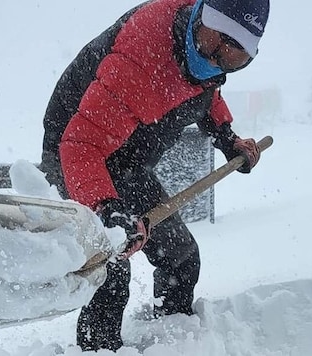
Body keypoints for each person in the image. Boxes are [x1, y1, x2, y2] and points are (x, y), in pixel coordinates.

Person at [39, 0, 270, 351]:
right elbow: (80, 145)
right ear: (199, 16)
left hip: (129, 160)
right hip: (76, 152)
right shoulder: (143, 55)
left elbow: (205, 92)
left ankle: (171, 341)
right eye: (213, 40)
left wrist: (228, 137)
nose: (214, 59)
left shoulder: (203, 58)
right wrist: (107, 211)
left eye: (232, 55)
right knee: (110, 269)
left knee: (181, 256)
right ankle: (99, 350)